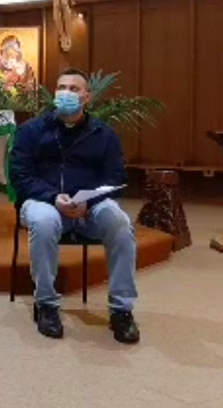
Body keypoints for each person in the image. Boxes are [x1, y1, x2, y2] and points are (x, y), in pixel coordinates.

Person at [9, 69, 140, 344]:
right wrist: (53, 197)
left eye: (73, 89)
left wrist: (88, 202)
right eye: (61, 88)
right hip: (45, 202)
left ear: (86, 97)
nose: (65, 93)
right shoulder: (31, 131)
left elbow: (116, 178)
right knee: (44, 221)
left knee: (120, 223)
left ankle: (121, 310)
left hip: (90, 206)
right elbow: (20, 176)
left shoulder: (104, 134)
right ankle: (46, 304)